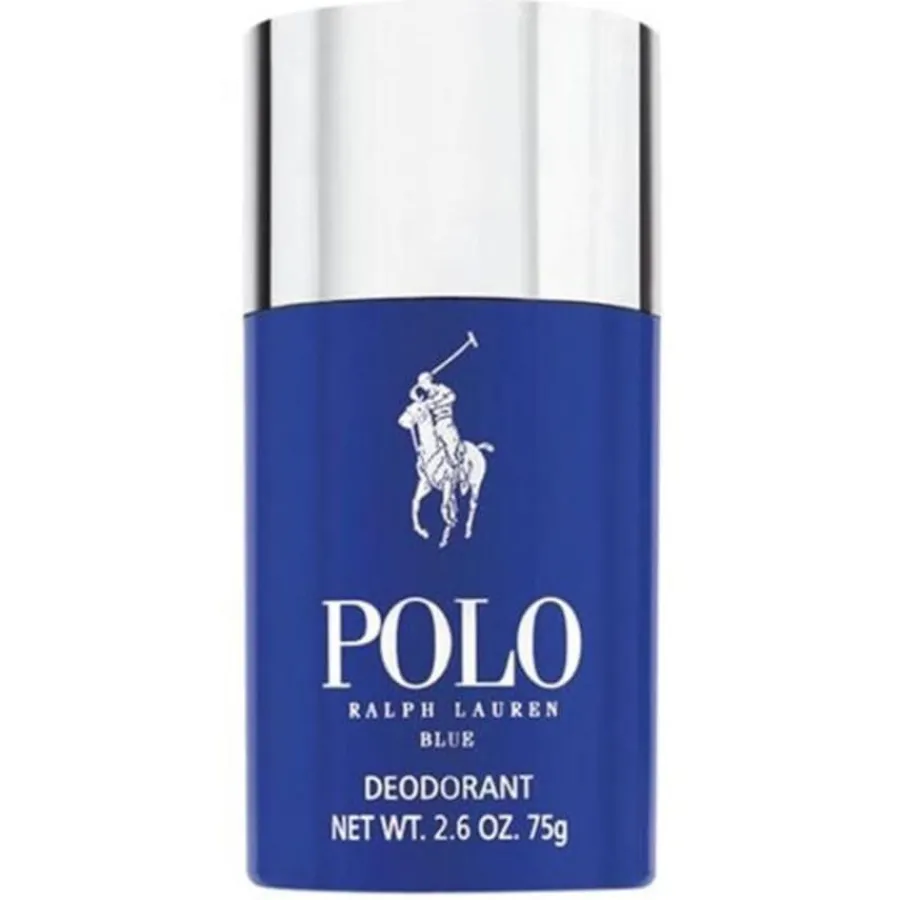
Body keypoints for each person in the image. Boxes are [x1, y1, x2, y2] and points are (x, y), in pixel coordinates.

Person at [410, 371, 463, 474]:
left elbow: (452, 397)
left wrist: (435, 403)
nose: (422, 386)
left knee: (449, 441)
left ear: (428, 381)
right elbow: (416, 401)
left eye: (423, 383)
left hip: (444, 420)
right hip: (432, 424)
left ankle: (456, 467)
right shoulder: (425, 396)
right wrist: (413, 393)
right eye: (420, 384)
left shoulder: (440, 388)